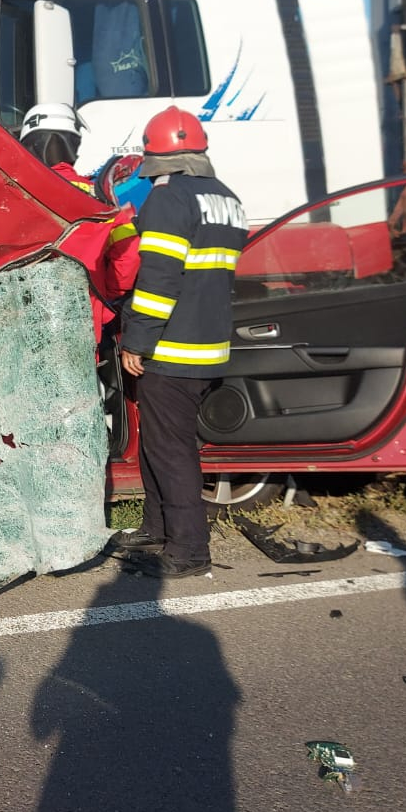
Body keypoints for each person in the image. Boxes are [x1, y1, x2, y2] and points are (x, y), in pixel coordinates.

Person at [114, 106, 248, 577]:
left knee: (172, 451)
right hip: (209, 346)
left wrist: (137, 340)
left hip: (171, 348)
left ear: (155, 158)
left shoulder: (169, 199)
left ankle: (189, 551)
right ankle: (157, 528)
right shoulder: (226, 198)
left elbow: (159, 279)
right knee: (159, 441)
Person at [19, 104, 141, 337]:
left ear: (29, 144)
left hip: (23, 324)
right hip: (83, 323)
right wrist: (106, 292)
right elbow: (129, 255)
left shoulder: (14, 192)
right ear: (73, 145)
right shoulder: (102, 199)